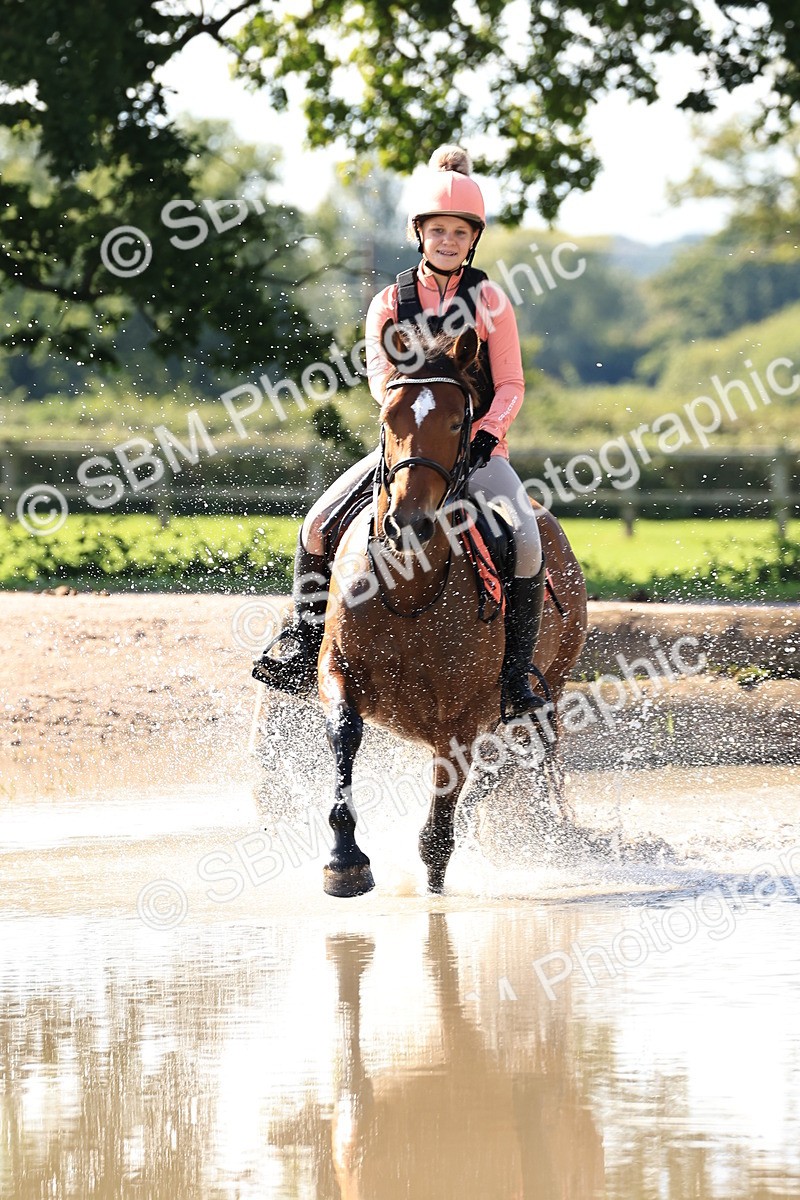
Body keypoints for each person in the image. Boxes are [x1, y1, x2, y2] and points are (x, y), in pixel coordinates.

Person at [253, 144, 545, 717]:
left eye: (459, 232)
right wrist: (409, 426)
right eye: (438, 231)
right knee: (316, 526)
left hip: (478, 452)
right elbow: (382, 381)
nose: (447, 241)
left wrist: (489, 431)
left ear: (473, 239)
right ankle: (303, 647)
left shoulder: (490, 302)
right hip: (408, 449)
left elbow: (511, 383)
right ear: (420, 234)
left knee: (528, 541)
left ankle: (515, 678)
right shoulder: (389, 302)